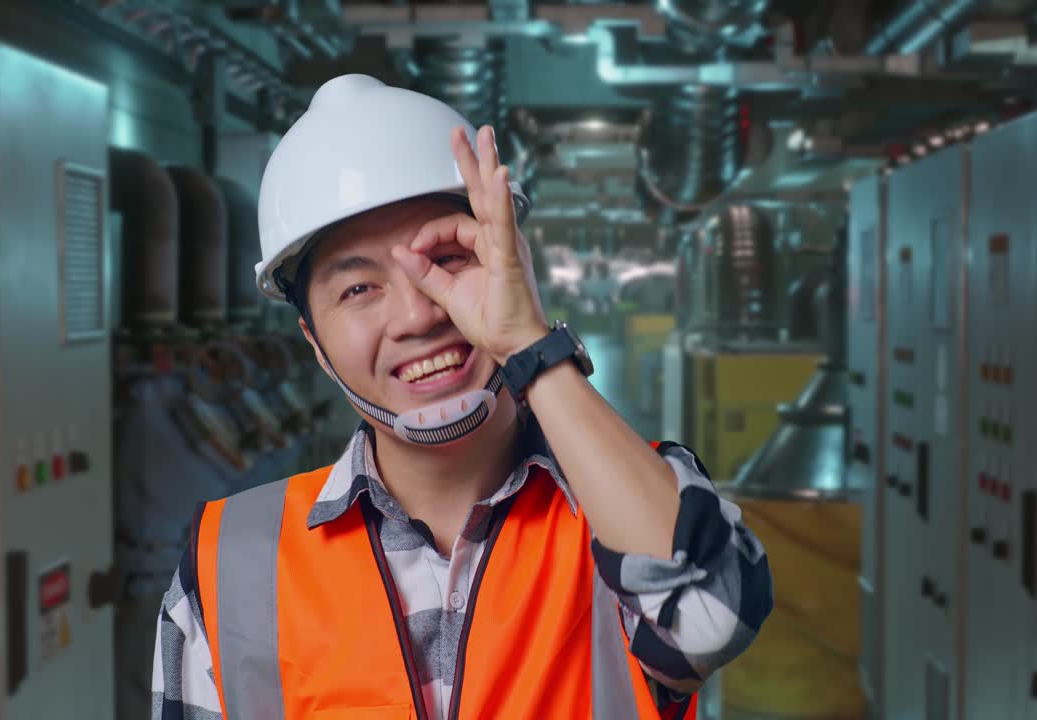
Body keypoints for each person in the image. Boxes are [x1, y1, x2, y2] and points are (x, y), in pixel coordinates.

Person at [150, 74, 773, 719]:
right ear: (313, 339)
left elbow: (714, 618)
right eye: (358, 289)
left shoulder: (630, 502)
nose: (418, 315)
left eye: (447, 258)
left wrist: (530, 347)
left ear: (513, 264)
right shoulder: (231, 562)